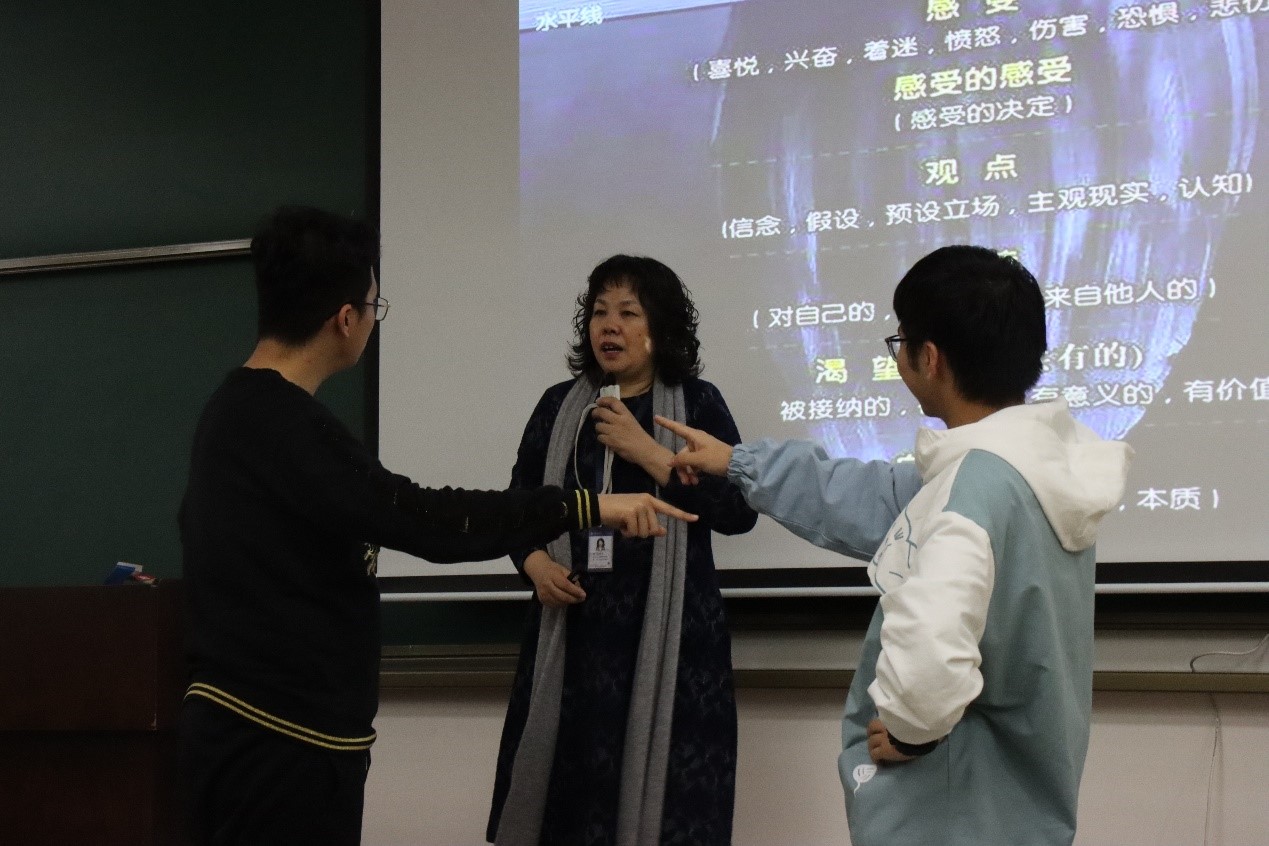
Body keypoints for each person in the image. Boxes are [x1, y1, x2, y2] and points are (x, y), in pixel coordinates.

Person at [177, 208, 694, 846]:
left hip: (269, 738)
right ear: (346, 319)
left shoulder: (242, 412)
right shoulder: (283, 425)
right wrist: (585, 507)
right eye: (374, 306)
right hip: (277, 750)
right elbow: (426, 519)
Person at [657, 245, 1132, 846]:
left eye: (900, 342)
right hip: (1016, 809)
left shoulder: (971, 491)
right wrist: (739, 462)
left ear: (928, 358)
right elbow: (878, 497)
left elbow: (931, 640)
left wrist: (911, 729)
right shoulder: (1033, 466)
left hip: (948, 813)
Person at [486, 255, 758, 846]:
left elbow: (740, 512)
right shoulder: (558, 406)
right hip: (572, 639)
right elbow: (516, 508)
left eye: (628, 313)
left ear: (659, 327)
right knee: (570, 812)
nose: (609, 326)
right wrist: (535, 564)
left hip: (672, 643)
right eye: (599, 312)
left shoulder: (698, 404)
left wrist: (650, 453)